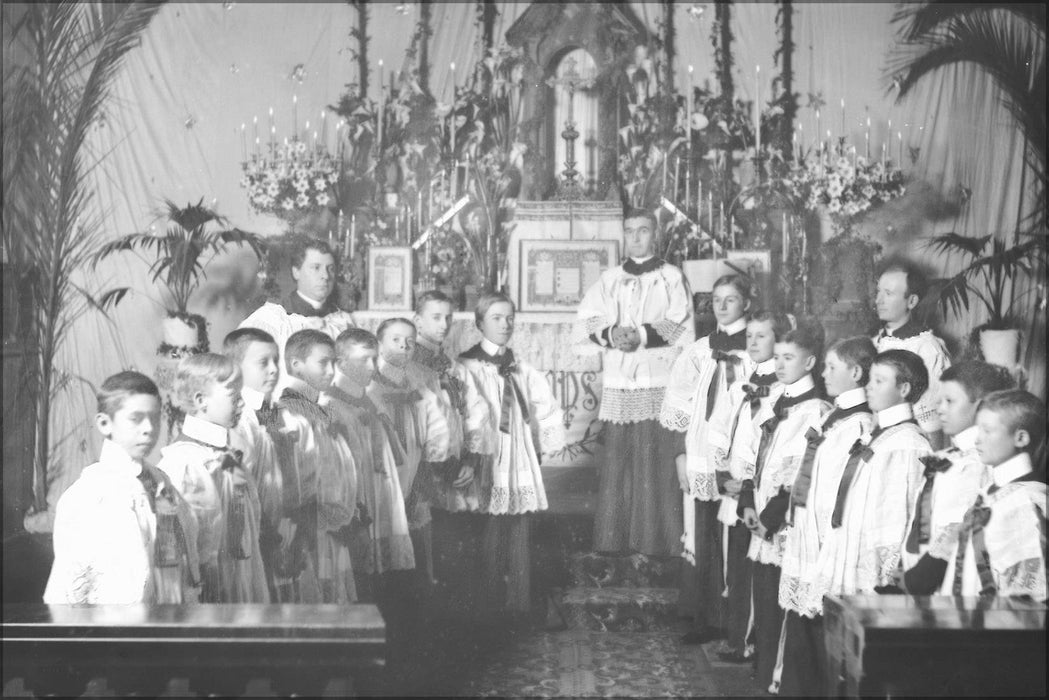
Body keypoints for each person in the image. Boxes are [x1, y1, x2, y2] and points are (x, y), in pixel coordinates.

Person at [576, 207, 694, 557]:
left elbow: (680, 324)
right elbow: (586, 322)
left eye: (643, 230)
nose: (637, 237)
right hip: (620, 381)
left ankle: (655, 542)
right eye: (630, 231)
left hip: (656, 379)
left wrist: (640, 335)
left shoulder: (671, 276)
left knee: (652, 460)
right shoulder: (610, 278)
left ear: (654, 234)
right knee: (618, 462)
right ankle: (613, 541)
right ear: (624, 234)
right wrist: (611, 335)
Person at [44, 372, 200, 604]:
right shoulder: (89, 495)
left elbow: (186, 556)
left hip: (169, 619)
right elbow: (70, 589)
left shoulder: (162, 483)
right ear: (105, 424)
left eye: (155, 418)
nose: (148, 428)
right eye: (136, 419)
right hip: (115, 629)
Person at [777, 336, 876, 697]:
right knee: (803, 627)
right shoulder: (833, 416)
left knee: (821, 633)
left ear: (856, 371)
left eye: (831, 367)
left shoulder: (859, 425)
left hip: (826, 541)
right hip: (808, 534)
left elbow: (841, 493)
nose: (823, 372)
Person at [661, 274, 755, 645]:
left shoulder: (756, 349)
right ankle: (706, 617)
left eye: (731, 299)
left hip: (737, 453)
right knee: (705, 533)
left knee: (737, 533)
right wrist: (681, 455)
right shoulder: (700, 349)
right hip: (701, 452)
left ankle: (737, 623)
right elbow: (679, 404)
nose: (722, 306)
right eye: (717, 299)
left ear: (746, 303)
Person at [460, 292, 565, 617]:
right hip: (487, 455)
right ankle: (488, 608)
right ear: (479, 323)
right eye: (496, 318)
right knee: (489, 532)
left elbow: (545, 408)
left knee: (520, 529)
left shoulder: (520, 367)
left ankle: (519, 605)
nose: (505, 324)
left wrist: (543, 446)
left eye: (509, 318)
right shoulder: (466, 366)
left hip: (516, 456)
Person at [738, 325, 829, 692]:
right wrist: (747, 500)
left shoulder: (816, 410)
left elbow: (801, 470)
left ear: (810, 361)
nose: (778, 363)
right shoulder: (774, 399)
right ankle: (762, 673)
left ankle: (777, 678)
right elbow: (753, 454)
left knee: (780, 601)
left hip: (781, 521)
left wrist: (770, 517)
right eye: (776, 356)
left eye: (788, 357)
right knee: (762, 599)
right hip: (758, 512)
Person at [705, 310, 792, 663]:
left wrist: (746, 484)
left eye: (762, 336)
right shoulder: (741, 383)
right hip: (734, 487)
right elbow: (720, 427)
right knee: (735, 566)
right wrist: (720, 471)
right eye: (750, 336)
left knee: (755, 565)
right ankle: (737, 635)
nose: (753, 342)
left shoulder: (782, 390)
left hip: (756, 492)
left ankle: (751, 642)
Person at [814, 350, 931, 605]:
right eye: (870, 379)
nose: (869, 386)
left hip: (873, 565)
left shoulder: (907, 443)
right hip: (850, 547)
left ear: (904, 389)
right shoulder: (873, 434)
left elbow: (899, 516)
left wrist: (885, 574)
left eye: (879, 381)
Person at [157, 353, 270, 603]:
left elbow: (250, 517)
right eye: (234, 396)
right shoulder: (183, 463)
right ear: (201, 401)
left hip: (240, 577)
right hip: (210, 587)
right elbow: (187, 543)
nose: (242, 403)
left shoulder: (228, 455)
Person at [898, 361, 1015, 595]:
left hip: (946, 581)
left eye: (949, 401)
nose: (939, 408)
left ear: (980, 407)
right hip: (917, 573)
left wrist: (922, 576)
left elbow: (960, 526)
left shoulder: (980, 464)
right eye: (939, 400)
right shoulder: (948, 457)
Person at [410, 291, 490, 606]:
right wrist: (442, 466)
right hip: (426, 472)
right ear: (417, 320)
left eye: (448, 318)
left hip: (458, 468)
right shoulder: (409, 369)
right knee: (429, 549)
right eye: (435, 317)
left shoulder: (454, 369)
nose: (444, 324)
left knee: (458, 551)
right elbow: (424, 423)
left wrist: (469, 459)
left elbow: (475, 414)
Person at [279, 328, 359, 603]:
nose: (331, 371)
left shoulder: (317, 408)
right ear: (296, 365)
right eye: (323, 362)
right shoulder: (290, 413)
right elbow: (299, 480)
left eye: (334, 363)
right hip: (309, 527)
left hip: (331, 525)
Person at [942, 389, 1045, 601]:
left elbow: (1027, 597)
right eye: (977, 429)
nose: (977, 439)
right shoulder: (989, 492)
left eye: (987, 431)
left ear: (1020, 438)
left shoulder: (1025, 503)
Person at [367, 318, 446, 585]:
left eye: (410, 342)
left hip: (412, 463)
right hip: (381, 470)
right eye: (396, 340)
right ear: (379, 344)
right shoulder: (368, 382)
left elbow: (437, 426)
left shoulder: (419, 380)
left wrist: (432, 459)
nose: (404, 346)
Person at [224, 327, 295, 601]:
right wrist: (268, 533)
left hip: (283, 525)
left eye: (276, 361)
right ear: (235, 367)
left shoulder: (273, 411)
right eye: (263, 362)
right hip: (259, 532)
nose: (274, 369)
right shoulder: (239, 419)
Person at [239, 238, 355, 390]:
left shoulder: (341, 321)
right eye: (316, 267)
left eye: (330, 268)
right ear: (296, 271)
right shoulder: (271, 320)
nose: (325, 276)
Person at [872, 259, 951, 446]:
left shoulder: (926, 348)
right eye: (878, 292)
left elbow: (931, 423)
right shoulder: (876, 341)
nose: (878, 300)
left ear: (912, 301)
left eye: (888, 293)